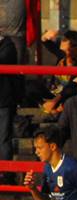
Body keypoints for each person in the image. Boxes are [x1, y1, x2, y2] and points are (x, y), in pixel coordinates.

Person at [37, 30, 77, 116]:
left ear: (73, 45)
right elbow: (47, 43)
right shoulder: (62, 55)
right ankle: (49, 109)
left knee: (72, 97)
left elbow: (72, 87)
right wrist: (45, 36)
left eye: (65, 40)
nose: (61, 41)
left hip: (66, 96)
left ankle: (55, 111)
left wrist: (54, 101)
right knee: (31, 87)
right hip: (53, 93)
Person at [0, 34, 17, 183]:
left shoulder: (8, 46)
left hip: (3, 101)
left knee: (4, 139)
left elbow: (4, 59)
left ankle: (6, 174)